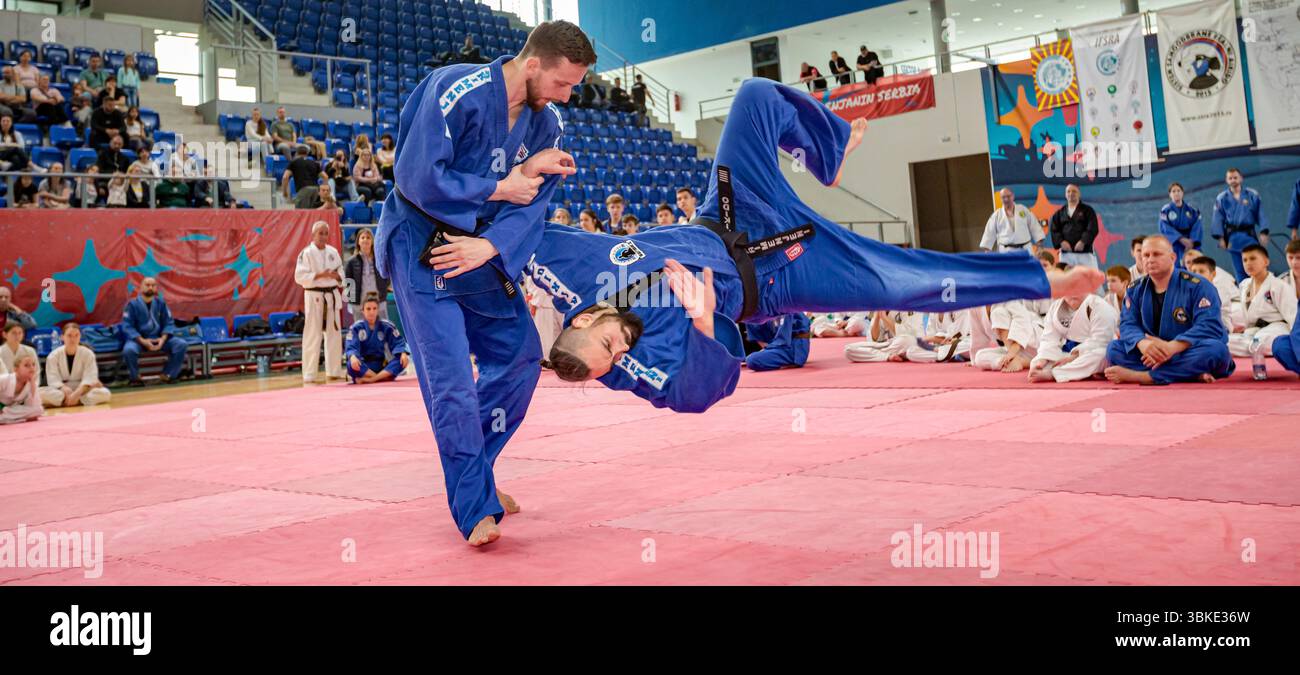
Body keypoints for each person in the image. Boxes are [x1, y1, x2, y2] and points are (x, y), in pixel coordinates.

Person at [533, 78, 1102, 411]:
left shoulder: (580, 274)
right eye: (610, 360)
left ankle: (825, 150)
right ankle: (1041, 280)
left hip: (731, 211)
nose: (616, 351)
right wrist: (705, 327)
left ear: (580, 320)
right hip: (780, 277)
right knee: (902, 281)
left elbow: (520, 235)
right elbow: (699, 394)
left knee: (755, 95)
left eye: (603, 342)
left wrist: (516, 183)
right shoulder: (635, 367)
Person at [375, 20, 593, 547]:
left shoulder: (547, 124)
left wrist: (491, 246)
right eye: (563, 83)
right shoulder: (455, 88)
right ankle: (474, 506)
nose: (567, 95)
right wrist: (500, 186)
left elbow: (535, 204)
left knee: (520, 357)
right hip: (422, 245)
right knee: (450, 380)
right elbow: (417, 176)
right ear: (534, 62)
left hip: (483, 251)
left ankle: (477, 473)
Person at [1103, 236, 1234, 385]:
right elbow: (1128, 324)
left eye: (1157, 254)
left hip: (1188, 349)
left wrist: (1172, 347)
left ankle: (1144, 377)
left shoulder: (1198, 285)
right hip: (1152, 353)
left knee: (1217, 351)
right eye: (1146, 255)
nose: (1150, 259)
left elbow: (1209, 326)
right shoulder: (1135, 289)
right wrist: (1143, 344)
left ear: (1172, 257)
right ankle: (1189, 373)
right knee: (1114, 350)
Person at [1028, 287, 1118, 383]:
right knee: (1037, 362)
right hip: (1068, 352)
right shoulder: (1055, 307)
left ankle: (1054, 374)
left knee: (1102, 355)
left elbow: (1101, 341)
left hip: (1093, 351)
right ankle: (1078, 372)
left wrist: (1073, 357)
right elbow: (1049, 338)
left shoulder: (1101, 307)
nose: (1074, 293)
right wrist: (1042, 360)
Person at [295, 221, 347, 383]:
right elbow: (300, 276)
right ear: (313, 234)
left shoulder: (333, 252)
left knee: (334, 335)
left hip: (331, 296)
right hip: (314, 296)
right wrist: (320, 275)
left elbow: (341, 274)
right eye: (320, 233)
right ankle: (309, 373)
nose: (324, 236)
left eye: (326, 233)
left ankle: (334, 370)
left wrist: (335, 276)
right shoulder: (306, 253)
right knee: (312, 334)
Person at [121, 277, 189, 385]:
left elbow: (169, 322)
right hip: (139, 340)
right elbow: (127, 326)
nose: (150, 287)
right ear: (141, 287)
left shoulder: (161, 303)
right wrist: (142, 341)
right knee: (128, 350)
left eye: (153, 285)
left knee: (181, 344)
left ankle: (168, 374)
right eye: (147, 285)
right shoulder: (132, 305)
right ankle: (135, 377)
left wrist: (162, 339)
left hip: (159, 338)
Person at [1226, 244, 1290, 357]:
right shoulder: (1244, 285)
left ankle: (1279, 345)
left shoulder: (1278, 285)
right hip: (1253, 331)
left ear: (1266, 262)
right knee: (1224, 341)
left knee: (1260, 341)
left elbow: (1293, 316)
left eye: (1253, 258)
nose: (1248, 263)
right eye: (1245, 260)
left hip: (1277, 328)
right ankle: (1253, 348)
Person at [1211, 168, 1269, 283]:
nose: (1233, 180)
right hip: (1233, 238)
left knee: (1255, 265)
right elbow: (1218, 218)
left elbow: (1261, 213)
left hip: (1249, 237)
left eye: (1235, 177)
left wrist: (1264, 232)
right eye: (1230, 178)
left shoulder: (1252, 195)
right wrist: (1221, 238)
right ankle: (1244, 294)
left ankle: (1261, 289)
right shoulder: (1222, 198)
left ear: (1241, 178)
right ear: (1227, 180)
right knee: (1239, 269)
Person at [40, 323, 112, 407]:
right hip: (61, 390)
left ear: (80, 336)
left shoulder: (88, 354)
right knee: (39, 394)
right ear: (62, 337)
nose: (73, 339)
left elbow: (90, 377)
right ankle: (73, 401)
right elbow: (53, 379)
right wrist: (64, 388)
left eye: (76, 335)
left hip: (82, 389)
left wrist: (77, 394)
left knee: (105, 393)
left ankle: (69, 401)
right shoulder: (53, 356)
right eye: (69, 335)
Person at [345, 293, 409, 383]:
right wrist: (352, 357)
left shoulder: (386, 326)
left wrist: (402, 352)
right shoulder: (356, 328)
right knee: (350, 364)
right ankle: (381, 378)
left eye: (374, 309)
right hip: (364, 367)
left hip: (380, 366)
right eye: (368, 309)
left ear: (378, 310)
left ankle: (372, 380)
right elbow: (351, 347)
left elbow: (398, 342)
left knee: (403, 360)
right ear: (362, 311)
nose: (372, 312)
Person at [1049, 184, 1099, 268]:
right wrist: (1061, 242)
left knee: (1088, 278)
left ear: (1079, 194)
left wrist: (1083, 241)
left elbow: (1092, 228)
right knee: (1066, 278)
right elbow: (1054, 229)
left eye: (1074, 191)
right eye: (1068, 191)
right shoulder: (1059, 213)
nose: (1071, 193)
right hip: (1066, 254)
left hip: (1085, 253)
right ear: (1065, 194)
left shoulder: (1088, 210)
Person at [345, 228, 390, 323]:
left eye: (368, 237)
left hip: (379, 300)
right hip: (359, 302)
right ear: (358, 242)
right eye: (363, 237)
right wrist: (351, 301)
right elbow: (348, 283)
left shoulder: (379, 260)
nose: (365, 240)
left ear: (372, 241)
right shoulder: (351, 262)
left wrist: (383, 291)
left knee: (383, 327)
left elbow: (386, 277)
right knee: (361, 329)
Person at [980, 188, 1044, 253]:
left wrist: (1039, 246)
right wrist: (987, 251)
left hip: (1025, 249)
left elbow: (1034, 226)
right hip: (1005, 251)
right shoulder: (997, 215)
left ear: (1013, 196)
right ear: (1000, 199)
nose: (1006, 199)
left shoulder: (1023, 209)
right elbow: (989, 232)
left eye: (1008, 196)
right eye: (1003, 197)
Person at [843, 310, 922, 362]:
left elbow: (909, 333)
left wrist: (884, 318)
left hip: (906, 342)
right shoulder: (881, 309)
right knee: (849, 350)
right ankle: (887, 356)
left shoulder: (907, 306)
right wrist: (877, 317)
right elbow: (875, 339)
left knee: (907, 340)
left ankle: (878, 354)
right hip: (888, 345)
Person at [1272, 239, 1300, 377]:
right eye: (1291, 257)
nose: (1294, 262)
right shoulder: (1280, 282)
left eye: (1299, 258)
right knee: (1279, 344)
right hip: (1291, 328)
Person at [744, 313, 811, 371]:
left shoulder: (785, 304)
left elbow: (784, 338)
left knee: (751, 360)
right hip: (775, 344)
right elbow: (761, 341)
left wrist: (768, 349)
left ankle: (788, 360)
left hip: (793, 347)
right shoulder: (753, 312)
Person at [1160, 182, 1201, 267]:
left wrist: (1191, 242)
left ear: (1182, 193)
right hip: (1175, 244)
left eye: (1178, 191)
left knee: (1195, 265)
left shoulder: (1192, 209)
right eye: (1173, 191)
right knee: (1176, 267)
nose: (1176, 193)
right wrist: (1181, 239)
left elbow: (1197, 226)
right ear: (1170, 194)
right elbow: (1165, 228)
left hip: (1191, 243)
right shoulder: (1166, 210)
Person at [0, 353, 42, 424]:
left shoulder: (31, 383)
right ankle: (10, 418)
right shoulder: (5, 379)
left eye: (33, 364)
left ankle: (6, 417)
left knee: (38, 410)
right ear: (16, 369)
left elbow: (33, 405)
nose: (32, 368)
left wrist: (32, 385)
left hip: (8, 410)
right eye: (26, 365)